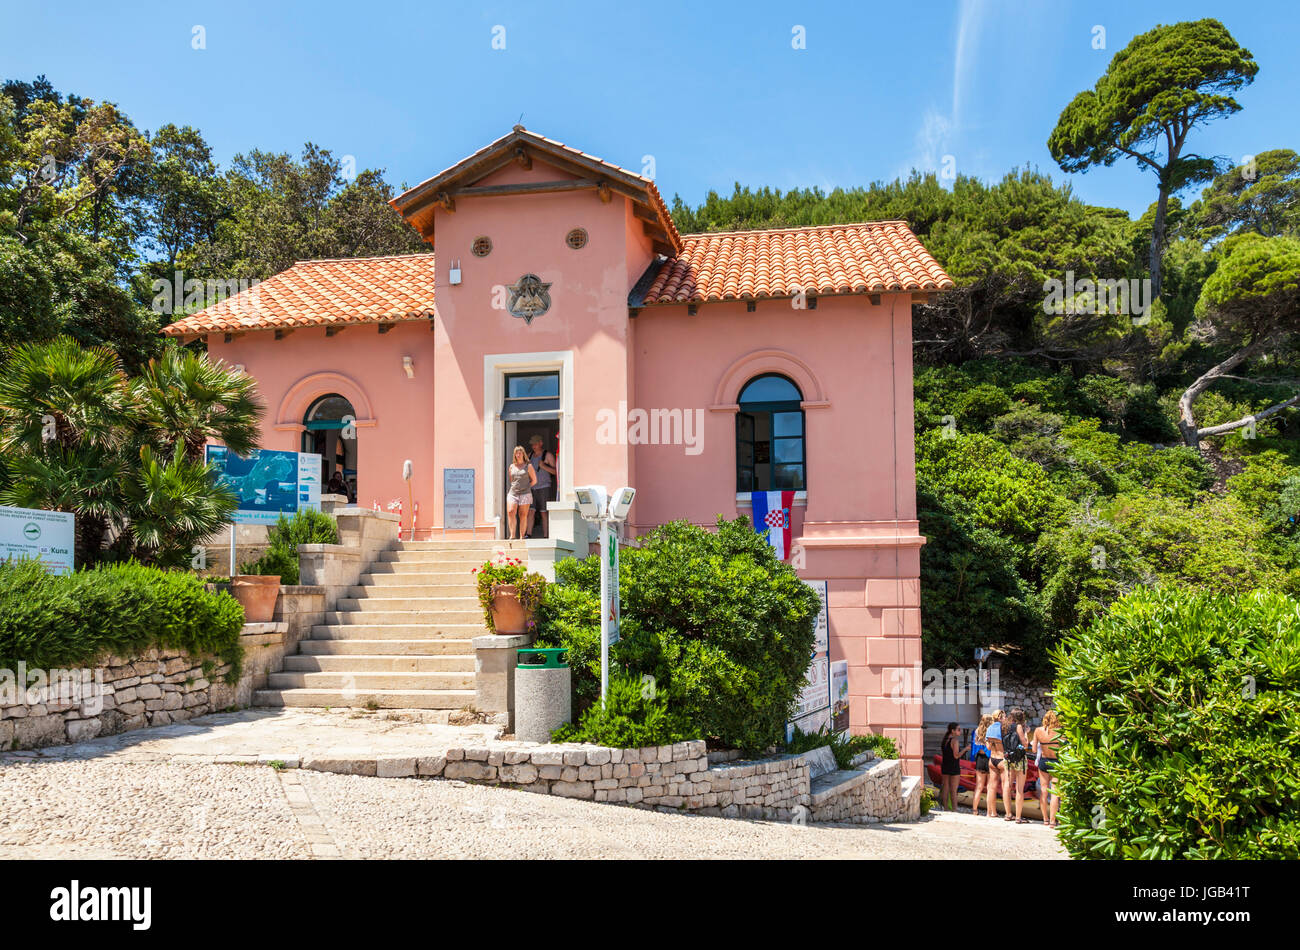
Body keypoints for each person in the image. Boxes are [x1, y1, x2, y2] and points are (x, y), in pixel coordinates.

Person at [1033, 710, 1063, 828]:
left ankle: (1045, 819)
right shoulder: (1062, 732)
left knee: (1044, 791)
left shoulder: (1038, 731)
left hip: (1044, 762)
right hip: (1057, 762)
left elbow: (1034, 750)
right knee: (1055, 792)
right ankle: (1052, 821)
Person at [526, 434, 556, 539]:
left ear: (541, 443)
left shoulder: (547, 456)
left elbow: (556, 472)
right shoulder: (529, 456)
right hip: (532, 488)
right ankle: (528, 534)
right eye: (532, 444)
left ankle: (546, 535)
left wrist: (543, 466)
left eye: (535, 444)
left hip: (544, 487)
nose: (533, 446)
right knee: (531, 511)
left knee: (544, 513)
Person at [1003, 707, 1030, 824]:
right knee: (1019, 788)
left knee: (1007, 785)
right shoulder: (1019, 727)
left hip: (1008, 758)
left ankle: (1008, 814)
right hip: (1019, 759)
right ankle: (1018, 817)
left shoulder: (1005, 726)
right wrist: (1026, 733)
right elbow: (1025, 744)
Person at [505, 446, 535, 540]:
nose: (518, 455)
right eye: (516, 453)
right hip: (513, 493)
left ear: (523, 454)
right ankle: (512, 535)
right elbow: (512, 480)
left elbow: (534, 480)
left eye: (520, 453)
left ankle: (522, 536)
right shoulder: (511, 466)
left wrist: (526, 487)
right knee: (510, 512)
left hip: (525, 493)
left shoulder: (528, 466)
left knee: (523, 514)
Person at [969, 714, 995, 816]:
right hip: (989, 759)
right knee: (990, 786)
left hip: (980, 758)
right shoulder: (991, 732)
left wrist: (972, 758)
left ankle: (974, 810)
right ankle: (989, 812)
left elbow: (973, 746)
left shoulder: (976, 732)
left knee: (978, 786)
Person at [984, 708, 1005, 818]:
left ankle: (990, 812)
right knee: (1005, 786)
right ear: (1001, 717)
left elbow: (987, 746)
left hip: (992, 759)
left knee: (991, 787)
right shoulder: (1003, 728)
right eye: (1004, 716)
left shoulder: (990, 728)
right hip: (1002, 759)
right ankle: (1008, 814)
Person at [939, 722, 962, 811]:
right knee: (953, 790)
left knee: (945, 787)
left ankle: (946, 808)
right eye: (958, 730)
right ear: (953, 731)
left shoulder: (945, 740)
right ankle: (955, 809)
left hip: (945, 765)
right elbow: (956, 756)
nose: (960, 731)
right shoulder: (955, 741)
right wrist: (965, 749)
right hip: (954, 766)